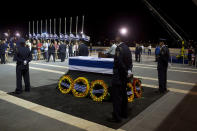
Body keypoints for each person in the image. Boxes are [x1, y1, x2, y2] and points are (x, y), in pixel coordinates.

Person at [109, 36, 133, 123]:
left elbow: (119, 63)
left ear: (117, 40)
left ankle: (117, 117)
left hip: (118, 76)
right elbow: (130, 62)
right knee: (123, 96)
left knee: (116, 98)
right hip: (124, 78)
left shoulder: (119, 48)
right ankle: (124, 113)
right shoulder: (127, 48)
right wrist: (129, 71)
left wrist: (125, 71)